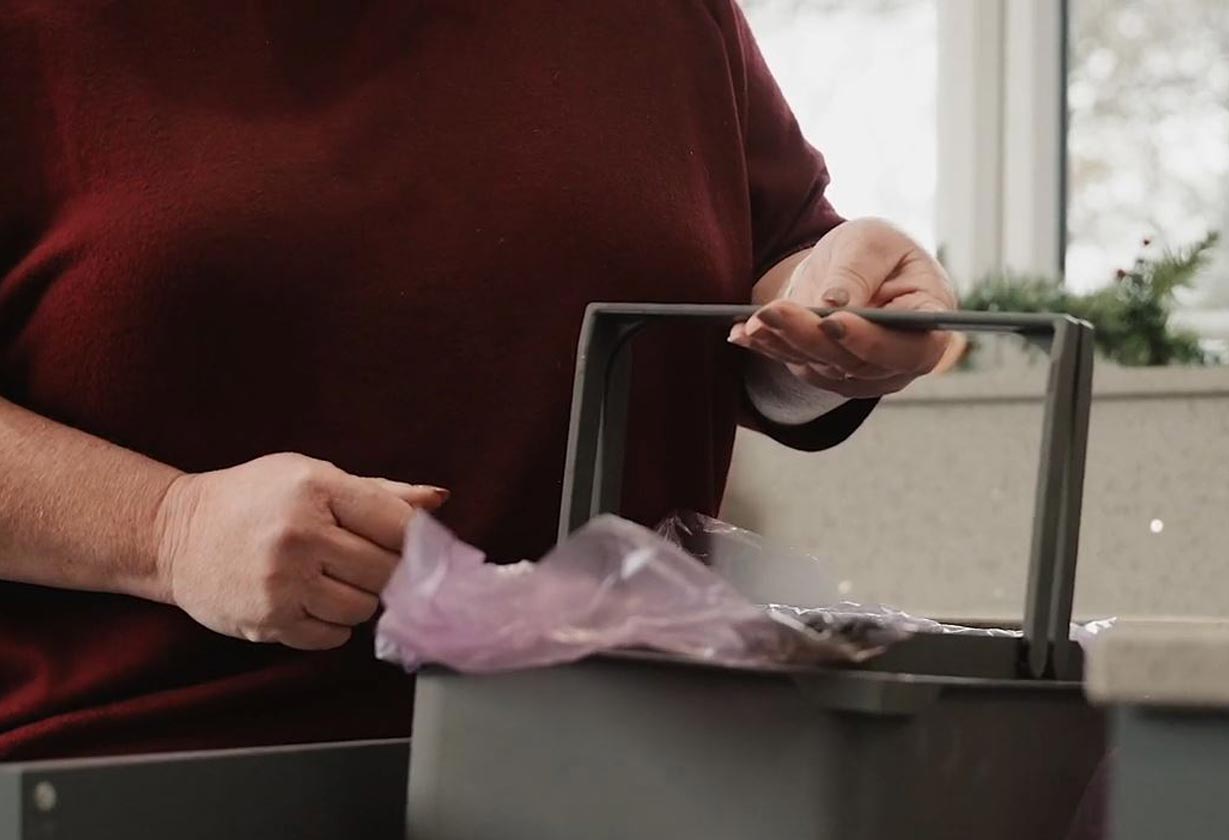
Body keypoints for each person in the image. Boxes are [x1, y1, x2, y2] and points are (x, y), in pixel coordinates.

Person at [0, 2, 956, 760]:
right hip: (132, 795)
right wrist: (168, 528)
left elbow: (764, 310)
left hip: (636, 790)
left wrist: (838, 321)